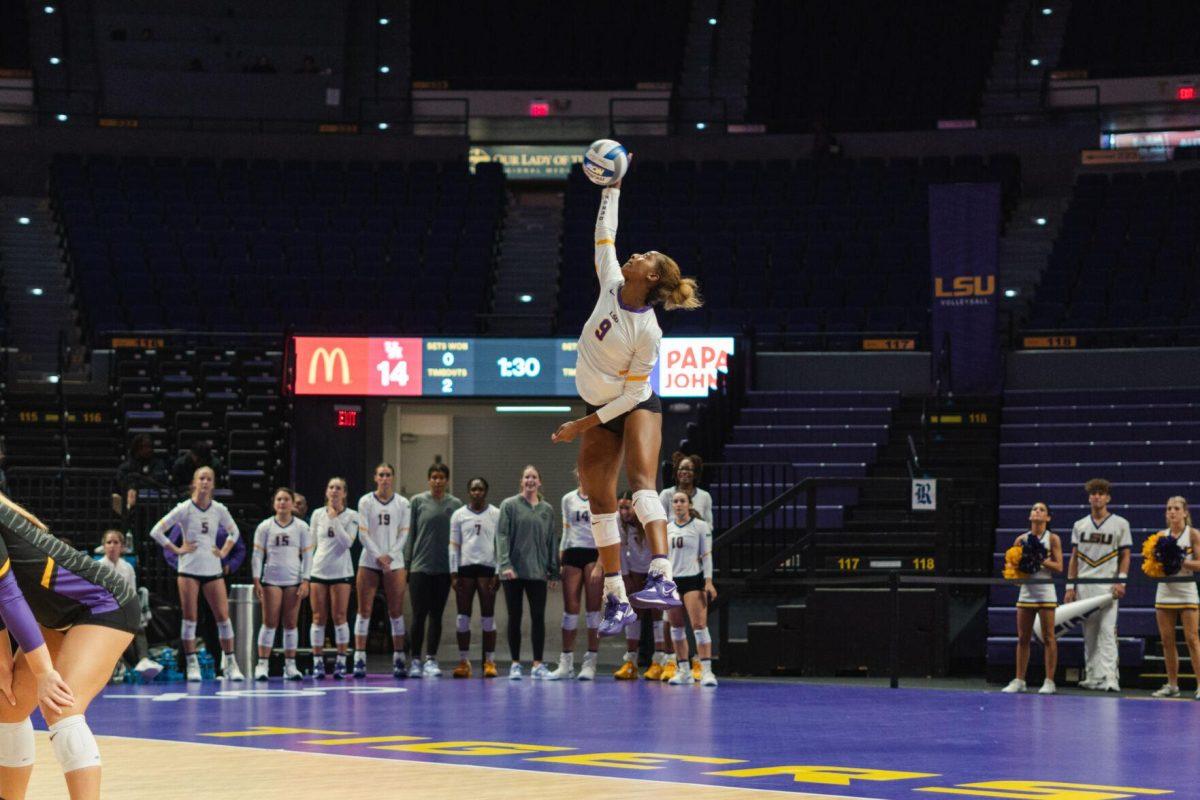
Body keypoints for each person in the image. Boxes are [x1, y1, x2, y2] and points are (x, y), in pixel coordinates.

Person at [550, 170, 703, 636]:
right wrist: (612, 187)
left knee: (639, 485)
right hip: (600, 405)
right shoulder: (612, 281)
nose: (635, 254)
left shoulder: (648, 330)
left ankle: (662, 576)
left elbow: (636, 393)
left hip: (632, 405)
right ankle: (616, 595)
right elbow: (605, 235)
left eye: (646, 257)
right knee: (597, 496)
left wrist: (582, 424)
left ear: (651, 276)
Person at [0, 493, 140, 800]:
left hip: (104, 604)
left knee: (60, 704)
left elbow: (8, 595)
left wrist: (45, 672)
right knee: (6, 706)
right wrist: (3, 662)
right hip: (58, 617)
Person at [148, 466, 243, 682]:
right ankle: (192, 664)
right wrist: (177, 549)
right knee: (190, 618)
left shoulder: (219, 509)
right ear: (194, 482)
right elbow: (156, 531)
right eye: (201, 478)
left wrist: (225, 551)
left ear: (213, 484)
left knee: (223, 618)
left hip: (212, 568)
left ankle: (230, 662)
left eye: (209, 479)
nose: (205, 482)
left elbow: (234, 531)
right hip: (189, 568)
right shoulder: (184, 509)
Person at [1063, 478, 1131, 692]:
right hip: (1084, 585)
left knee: (1108, 631)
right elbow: (1074, 557)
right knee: (1089, 633)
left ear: (1108, 497)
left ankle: (1111, 677)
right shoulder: (1079, 525)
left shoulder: (1120, 523)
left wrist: (1121, 580)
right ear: (1089, 497)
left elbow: (1126, 555)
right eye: (1093, 493)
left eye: (1101, 493)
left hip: (1108, 587)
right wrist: (1070, 586)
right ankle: (1093, 675)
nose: (1097, 497)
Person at [496, 465, 558, 680]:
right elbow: (501, 536)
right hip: (513, 573)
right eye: (526, 477)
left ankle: (537, 664)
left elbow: (551, 540)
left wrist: (553, 570)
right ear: (521, 482)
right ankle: (514, 663)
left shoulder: (547, 510)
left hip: (538, 572)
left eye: (534, 477)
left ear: (539, 482)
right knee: (515, 616)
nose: (530, 480)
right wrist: (505, 565)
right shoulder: (509, 505)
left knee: (538, 617)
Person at [403, 464, 463, 678]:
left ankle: (431, 659)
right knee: (419, 615)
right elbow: (410, 535)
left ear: (446, 480)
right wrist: (407, 565)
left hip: (444, 569)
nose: (437, 481)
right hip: (420, 567)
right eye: (434, 477)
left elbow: (458, 539)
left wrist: (456, 569)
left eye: (441, 478)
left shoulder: (455, 505)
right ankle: (416, 661)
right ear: (428, 480)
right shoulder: (417, 502)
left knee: (436, 615)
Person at [353, 463, 410, 679]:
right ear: (375, 478)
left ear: (393, 478)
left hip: (394, 562)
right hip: (369, 560)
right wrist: (378, 555)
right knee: (364, 610)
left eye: (388, 475)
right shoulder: (365, 501)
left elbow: (404, 533)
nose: (384, 478)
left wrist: (390, 555)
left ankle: (399, 658)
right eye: (381, 475)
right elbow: (363, 533)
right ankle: (359, 658)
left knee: (396, 611)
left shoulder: (403, 503)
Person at [251, 488, 313, 681]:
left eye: (286, 499)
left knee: (291, 624)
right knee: (269, 622)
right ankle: (262, 665)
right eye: (279, 499)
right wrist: (256, 579)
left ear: (292, 503)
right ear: (274, 503)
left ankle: (290, 665)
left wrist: (306, 579)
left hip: (294, 580)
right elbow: (257, 555)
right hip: (272, 580)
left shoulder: (302, 527)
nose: (282, 503)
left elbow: (308, 555)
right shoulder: (265, 526)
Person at [1002, 502, 1063, 695]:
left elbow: (1059, 566)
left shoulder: (1052, 538)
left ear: (1048, 518)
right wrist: (1018, 574)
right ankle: (1020, 679)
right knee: (1023, 638)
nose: (1037, 511)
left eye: (1042, 510)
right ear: (1030, 516)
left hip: (1045, 591)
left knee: (1048, 637)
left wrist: (1040, 559)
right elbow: (1013, 570)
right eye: (1034, 509)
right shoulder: (1021, 539)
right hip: (1027, 592)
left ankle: (1049, 681)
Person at [548, 474, 602, 681]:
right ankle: (566, 662)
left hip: (593, 554)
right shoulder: (568, 499)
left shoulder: (600, 497)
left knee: (593, 611)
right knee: (570, 609)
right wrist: (561, 560)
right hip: (572, 553)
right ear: (577, 474)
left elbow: (607, 531)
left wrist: (602, 562)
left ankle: (590, 662)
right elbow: (565, 529)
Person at [662, 492, 718, 686]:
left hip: (693, 580)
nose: (678, 504)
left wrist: (708, 581)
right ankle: (683, 670)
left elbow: (707, 555)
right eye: (675, 501)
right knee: (676, 628)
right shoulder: (667, 528)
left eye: (682, 501)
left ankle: (707, 671)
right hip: (672, 581)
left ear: (689, 504)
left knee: (700, 627)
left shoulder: (700, 527)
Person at [448, 477, 500, 678]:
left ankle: (489, 661)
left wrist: (497, 572)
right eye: (473, 489)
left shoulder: (495, 514)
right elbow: (453, 545)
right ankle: (464, 661)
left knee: (488, 618)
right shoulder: (458, 515)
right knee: (462, 618)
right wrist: (453, 573)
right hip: (465, 570)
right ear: (468, 492)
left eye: (480, 489)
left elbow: (499, 544)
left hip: (487, 569)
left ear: (486, 491)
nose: (477, 492)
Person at [308, 477, 358, 679]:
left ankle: (341, 661)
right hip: (319, 571)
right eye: (331, 487)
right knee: (318, 617)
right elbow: (311, 544)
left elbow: (347, 542)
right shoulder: (317, 514)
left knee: (339, 617)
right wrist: (306, 572)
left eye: (338, 488)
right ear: (326, 492)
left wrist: (334, 518)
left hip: (341, 572)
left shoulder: (352, 516)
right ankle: (317, 661)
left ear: (344, 493)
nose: (334, 491)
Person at [1150, 496, 1200, 698]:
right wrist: (1159, 565)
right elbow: (1151, 566)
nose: (1172, 512)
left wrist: (1181, 562)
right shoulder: (1160, 536)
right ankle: (1172, 685)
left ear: (1185, 512)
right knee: (1167, 640)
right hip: (1165, 590)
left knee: (1192, 639)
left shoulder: (1193, 534)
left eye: (1176, 508)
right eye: (1169, 508)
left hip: (1187, 590)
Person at [614, 491, 667, 679]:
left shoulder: (649, 520)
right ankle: (631, 662)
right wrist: (626, 577)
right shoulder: (619, 522)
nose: (623, 512)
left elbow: (659, 547)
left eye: (627, 508)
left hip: (654, 568)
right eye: (620, 507)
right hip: (635, 570)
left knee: (656, 613)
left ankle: (659, 661)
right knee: (634, 612)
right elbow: (620, 551)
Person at [97, 530, 161, 681]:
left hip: (124, 610)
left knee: (138, 626)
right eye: (109, 542)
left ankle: (144, 660)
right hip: (104, 613)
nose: (112, 546)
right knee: (118, 632)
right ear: (103, 546)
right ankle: (129, 666)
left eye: (116, 542)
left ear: (122, 547)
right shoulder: (98, 566)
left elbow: (131, 594)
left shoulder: (127, 568)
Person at [111, 434, 169, 516]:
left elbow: (158, 481)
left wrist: (135, 486)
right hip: (132, 502)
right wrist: (132, 488)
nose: (148, 449)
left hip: (154, 503)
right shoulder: (127, 466)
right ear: (137, 448)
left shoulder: (158, 464)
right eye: (144, 447)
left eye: (150, 446)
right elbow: (122, 482)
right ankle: (128, 515)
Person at [658, 452, 713, 526]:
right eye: (681, 469)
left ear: (696, 473)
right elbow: (659, 522)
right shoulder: (666, 494)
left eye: (688, 469)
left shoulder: (705, 496)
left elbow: (709, 526)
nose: (684, 472)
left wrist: (697, 520)